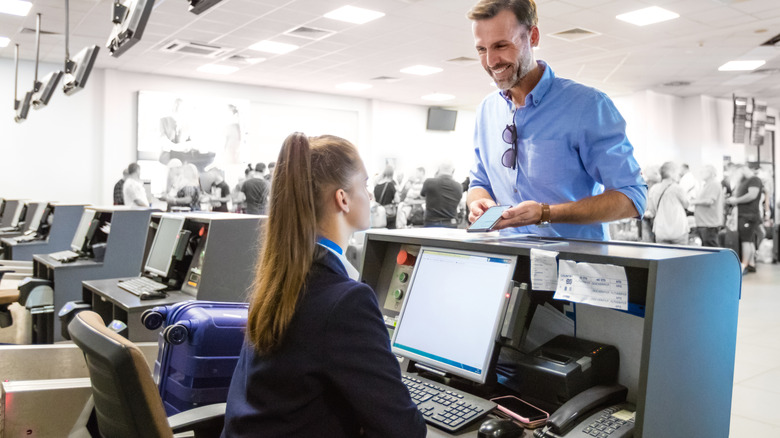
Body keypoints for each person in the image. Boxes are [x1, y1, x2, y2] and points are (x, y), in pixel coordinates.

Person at [221, 133, 425, 438]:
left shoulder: (280, 280)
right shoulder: (346, 302)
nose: (370, 196)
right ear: (342, 198)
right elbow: (403, 430)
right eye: (365, 185)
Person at [465, 0, 646, 240]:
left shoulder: (587, 105)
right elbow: (479, 183)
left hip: (576, 268)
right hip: (509, 263)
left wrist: (546, 213)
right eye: (481, 49)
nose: (491, 61)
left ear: (533, 36)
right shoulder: (487, 110)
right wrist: (480, 202)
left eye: (501, 45)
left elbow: (632, 197)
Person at [727, 163, 763, 274]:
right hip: (744, 215)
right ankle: (751, 263)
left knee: (745, 241)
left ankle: (743, 266)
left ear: (742, 169)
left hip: (748, 216)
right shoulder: (743, 182)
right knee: (750, 240)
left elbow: (752, 195)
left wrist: (736, 200)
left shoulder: (754, 180)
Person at [645, 162, 689, 245]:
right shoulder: (677, 188)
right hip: (679, 230)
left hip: (661, 230)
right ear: (672, 173)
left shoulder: (654, 189)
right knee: (681, 256)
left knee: (663, 256)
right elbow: (686, 205)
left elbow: (652, 211)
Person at [421, 162, 463, 228]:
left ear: (438, 170)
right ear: (453, 171)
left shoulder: (429, 182)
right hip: (451, 224)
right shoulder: (458, 186)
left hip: (432, 223)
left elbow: (422, 196)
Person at [690, 165, 724, 247]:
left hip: (709, 224)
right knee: (707, 247)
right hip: (704, 223)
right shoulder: (707, 185)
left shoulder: (713, 184)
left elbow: (709, 201)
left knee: (711, 248)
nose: (701, 173)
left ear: (711, 173)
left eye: (703, 171)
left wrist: (694, 201)